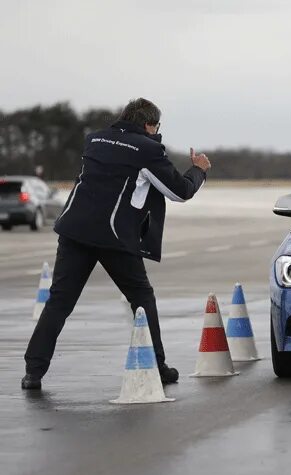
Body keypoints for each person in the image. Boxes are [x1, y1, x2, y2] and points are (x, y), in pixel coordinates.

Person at [20, 98, 211, 390]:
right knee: (142, 299)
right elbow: (180, 192)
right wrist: (198, 170)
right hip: (113, 236)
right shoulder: (148, 149)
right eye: (157, 126)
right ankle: (157, 366)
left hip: (73, 230)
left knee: (59, 302)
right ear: (149, 125)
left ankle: (33, 372)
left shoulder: (94, 139)